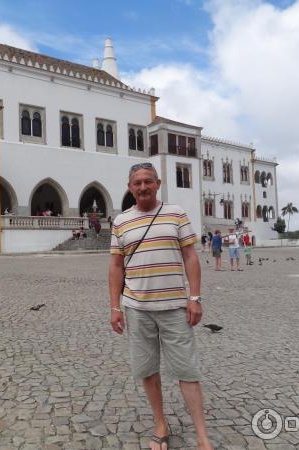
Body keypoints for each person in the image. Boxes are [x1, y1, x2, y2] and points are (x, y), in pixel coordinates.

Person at [108, 163, 213, 450]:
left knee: (187, 371)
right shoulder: (121, 222)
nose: (142, 187)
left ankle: (202, 435)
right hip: (137, 308)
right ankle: (160, 424)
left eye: (147, 182)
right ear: (130, 187)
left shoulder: (176, 214)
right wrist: (115, 307)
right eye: (137, 183)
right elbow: (116, 266)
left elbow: (190, 257)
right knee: (147, 370)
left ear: (158, 183)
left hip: (174, 307)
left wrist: (194, 298)